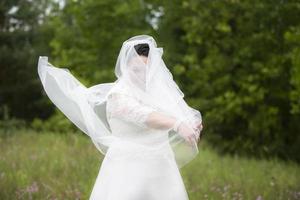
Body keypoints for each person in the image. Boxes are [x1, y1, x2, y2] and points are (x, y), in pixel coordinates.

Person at [37, 35, 203, 200]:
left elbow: (177, 110)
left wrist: (191, 122)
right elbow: (143, 115)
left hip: (161, 168)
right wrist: (178, 124)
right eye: (136, 69)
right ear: (125, 67)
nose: (142, 75)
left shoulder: (155, 92)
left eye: (147, 70)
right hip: (128, 169)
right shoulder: (118, 95)